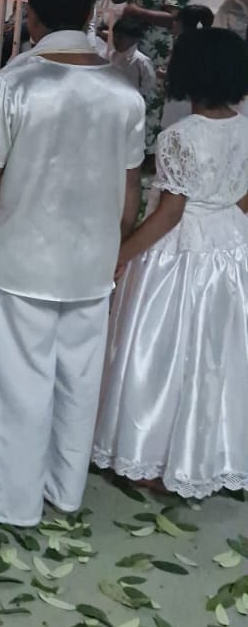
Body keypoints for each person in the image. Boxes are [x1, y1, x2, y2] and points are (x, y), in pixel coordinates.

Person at [0, 0, 144, 527]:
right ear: (88, 15)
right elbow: (130, 192)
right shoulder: (124, 92)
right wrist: (116, 249)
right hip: (92, 260)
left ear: (31, 16)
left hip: (22, 261)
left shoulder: (13, 85)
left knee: (19, 383)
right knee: (78, 380)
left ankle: (9, 501)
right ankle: (64, 488)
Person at [93, 29, 248, 499]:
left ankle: (151, 455)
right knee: (216, 356)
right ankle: (211, 454)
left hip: (179, 257)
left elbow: (170, 213)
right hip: (231, 248)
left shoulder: (179, 136)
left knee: (162, 352)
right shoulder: (246, 128)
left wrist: (120, 255)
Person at [111, 0, 195, 156]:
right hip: (130, 45)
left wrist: (137, 12)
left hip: (157, 49)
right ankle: (123, 147)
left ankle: (146, 152)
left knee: (151, 99)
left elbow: (174, 18)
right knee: (125, 93)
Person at [109, 17, 156, 101]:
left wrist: (135, 98)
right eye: (114, 36)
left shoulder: (141, 61)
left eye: (120, 37)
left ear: (134, 39)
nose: (116, 40)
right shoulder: (110, 55)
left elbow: (148, 85)